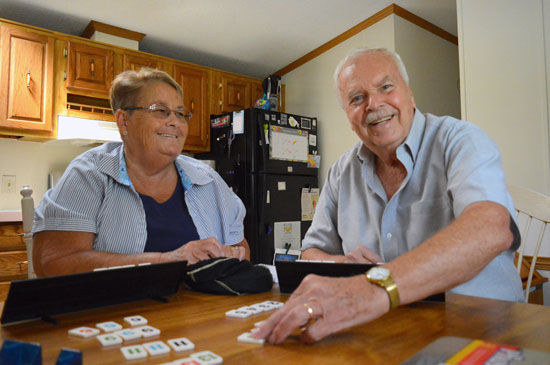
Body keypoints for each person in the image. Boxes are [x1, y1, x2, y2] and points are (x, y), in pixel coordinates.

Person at [252, 48, 523, 344]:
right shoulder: (341, 171)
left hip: (482, 330)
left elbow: (491, 228)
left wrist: (374, 286)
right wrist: (341, 265)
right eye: (357, 98)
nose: (374, 104)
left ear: (410, 94)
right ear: (348, 115)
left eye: (386, 87)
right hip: (387, 333)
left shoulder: (461, 140)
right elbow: (311, 253)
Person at [33, 68, 249, 277]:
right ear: (123, 121)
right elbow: (52, 263)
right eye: (160, 111)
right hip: (116, 311)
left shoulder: (209, 180)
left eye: (181, 113)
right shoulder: (88, 175)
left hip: (200, 311)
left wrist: (233, 255)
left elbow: (241, 250)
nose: (175, 122)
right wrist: (168, 261)